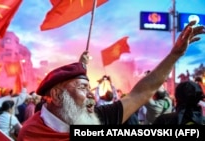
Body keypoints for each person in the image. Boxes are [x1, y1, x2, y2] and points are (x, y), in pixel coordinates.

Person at [17, 21, 205, 140]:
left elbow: (141, 92)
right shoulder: (30, 134)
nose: (92, 95)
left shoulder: (97, 119)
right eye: (83, 87)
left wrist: (174, 55)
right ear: (57, 95)